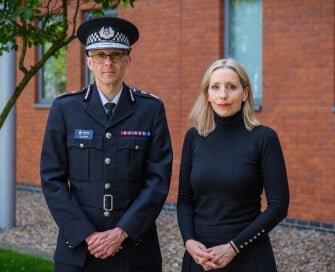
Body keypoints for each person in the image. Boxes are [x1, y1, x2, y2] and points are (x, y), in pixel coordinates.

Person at [40, 16, 173, 272]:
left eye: (116, 54)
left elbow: (158, 181)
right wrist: (87, 235)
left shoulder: (150, 110)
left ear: (128, 59)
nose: (108, 62)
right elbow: (52, 179)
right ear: (89, 61)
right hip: (79, 249)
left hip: (135, 250)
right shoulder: (65, 109)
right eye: (100, 55)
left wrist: (121, 232)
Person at [177, 58, 289, 272]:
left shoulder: (263, 138)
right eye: (215, 87)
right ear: (207, 94)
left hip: (248, 256)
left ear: (245, 93)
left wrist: (233, 247)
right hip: (201, 259)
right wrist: (189, 242)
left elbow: (278, 205)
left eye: (231, 87)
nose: (223, 95)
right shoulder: (194, 137)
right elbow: (184, 200)